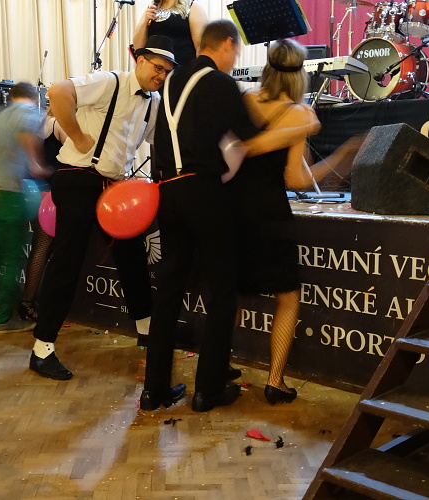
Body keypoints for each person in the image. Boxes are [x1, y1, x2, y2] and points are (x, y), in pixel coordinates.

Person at [139, 20, 321, 413]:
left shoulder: (172, 80)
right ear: (225, 44)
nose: (235, 59)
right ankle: (208, 390)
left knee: (168, 291)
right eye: (235, 51)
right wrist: (303, 125)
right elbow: (249, 141)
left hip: (166, 189)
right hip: (202, 190)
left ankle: (154, 390)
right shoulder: (220, 83)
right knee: (223, 292)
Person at [28, 36, 177, 381]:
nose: (161, 76)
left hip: (114, 187)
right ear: (140, 60)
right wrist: (79, 137)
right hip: (79, 178)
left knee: (132, 257)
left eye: (167, 71)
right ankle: (42, 348)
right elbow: (58, 92)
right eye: (158, 67)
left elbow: (160, 142)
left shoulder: (153, 103)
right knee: (67, 260)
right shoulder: (110, 82)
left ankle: (147, 330)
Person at [229, 39, 364, 405]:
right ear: (300, 75)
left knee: (232, 293)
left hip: (232, 210)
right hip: (269, 215)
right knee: (287, 298)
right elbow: (297, 179)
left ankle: (219, 366)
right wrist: (343, 155)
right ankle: (275, 381)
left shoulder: (244, 99)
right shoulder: (301, 114)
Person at [0, 81, 48, 333]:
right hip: (11, 192)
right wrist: (36, 164)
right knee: (12, 258)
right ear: (33, 98)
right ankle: (3, 319)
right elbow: (26, 135)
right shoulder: (29, 112)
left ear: (12, 96)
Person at [18, 111, 67, 321]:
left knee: (40, 249)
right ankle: (29, 303)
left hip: (40, 193)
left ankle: (29, 301)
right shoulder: (59, 124)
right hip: (54, 194)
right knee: (45, 249)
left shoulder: (39, 123)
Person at [133, 0, 208, 66]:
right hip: (155, 70)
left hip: (183, 69)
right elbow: (138, 47)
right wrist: (144, 21)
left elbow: (201, 47)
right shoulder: (152, 7)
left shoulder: (192, 6)